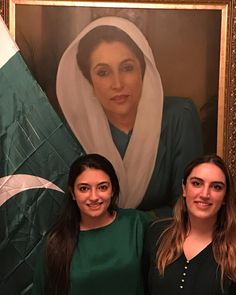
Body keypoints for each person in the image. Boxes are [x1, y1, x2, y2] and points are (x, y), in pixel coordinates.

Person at [56, 16, 203, 217]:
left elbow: (190, 206)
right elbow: (70, 212)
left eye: (127, 68)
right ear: (89, 81)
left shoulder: (179, 117)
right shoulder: (72, 131)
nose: (117, 84)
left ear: (143, 70)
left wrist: (125, 225)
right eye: (103, 72)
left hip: (164, 243)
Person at [32, 153, 151, 295]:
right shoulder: (56, 242)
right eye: (84, 188)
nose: (94, 197)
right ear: (73, 193)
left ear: (112, 190)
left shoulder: (137, 224)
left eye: (102, 187)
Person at [144, 154, 236, 294]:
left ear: (224, 197)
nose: (205, 194)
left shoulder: (233, 247)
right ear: (184, 188)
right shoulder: (157, 234)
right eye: (197, 183)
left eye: (216, 187)